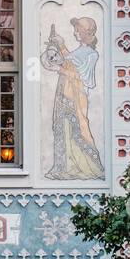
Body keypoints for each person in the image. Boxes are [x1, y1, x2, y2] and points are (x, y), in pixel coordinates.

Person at [41, 16, 104, 180]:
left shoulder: (91, 54)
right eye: (75, 29)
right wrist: (55, 51)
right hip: (64, 93)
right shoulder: (78, 51)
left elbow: (80, 76)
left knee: (79, 128)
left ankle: (88, 167)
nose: (75, 32)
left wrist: (60, 54)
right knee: (63, 128)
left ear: (86, 32)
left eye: (78, 29)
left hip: (76, 96)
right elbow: (68, 61)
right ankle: (64, 167)